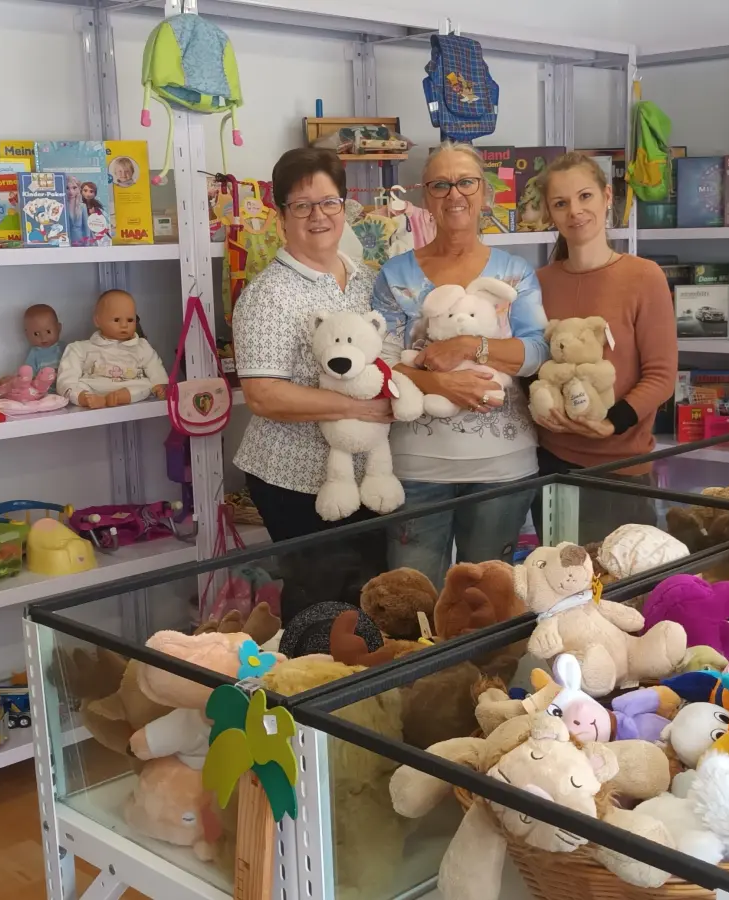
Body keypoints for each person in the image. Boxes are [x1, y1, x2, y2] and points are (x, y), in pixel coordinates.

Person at [372, 142, 550, 587]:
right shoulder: (395, 274)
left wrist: (472, 346)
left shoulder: (516, 273)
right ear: (426, 198)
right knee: (410, 604)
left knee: (489, 603)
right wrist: (443, 386)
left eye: (466, 182)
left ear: (485, 193)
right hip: (416, 468)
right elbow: (380, 364)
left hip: (502, 467)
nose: (455, 194)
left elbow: (536, 352)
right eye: (440, 184)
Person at [232, 147, 391, 624]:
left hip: (367, 474)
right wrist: (363, 410)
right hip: (294, 479)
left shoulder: (369, 281)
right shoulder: (268, 294)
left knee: (367, 600)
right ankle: (309, 693)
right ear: (281, 217)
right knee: (321, 606)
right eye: (302, 206)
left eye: (329, 202)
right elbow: (264, 395)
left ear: (345, 208)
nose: (318, 215)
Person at [531, 153, 677, 544]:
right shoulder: (538, 283)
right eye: (561, 203)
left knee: (621, 594)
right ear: (550, 212)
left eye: (584, 197)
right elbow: (532, 363)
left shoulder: (644, 277)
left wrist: (612, 423)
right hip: (553, 468)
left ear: (607, 196)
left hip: (622, 471)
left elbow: (662, 375)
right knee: (558, 594)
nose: (575, 212)